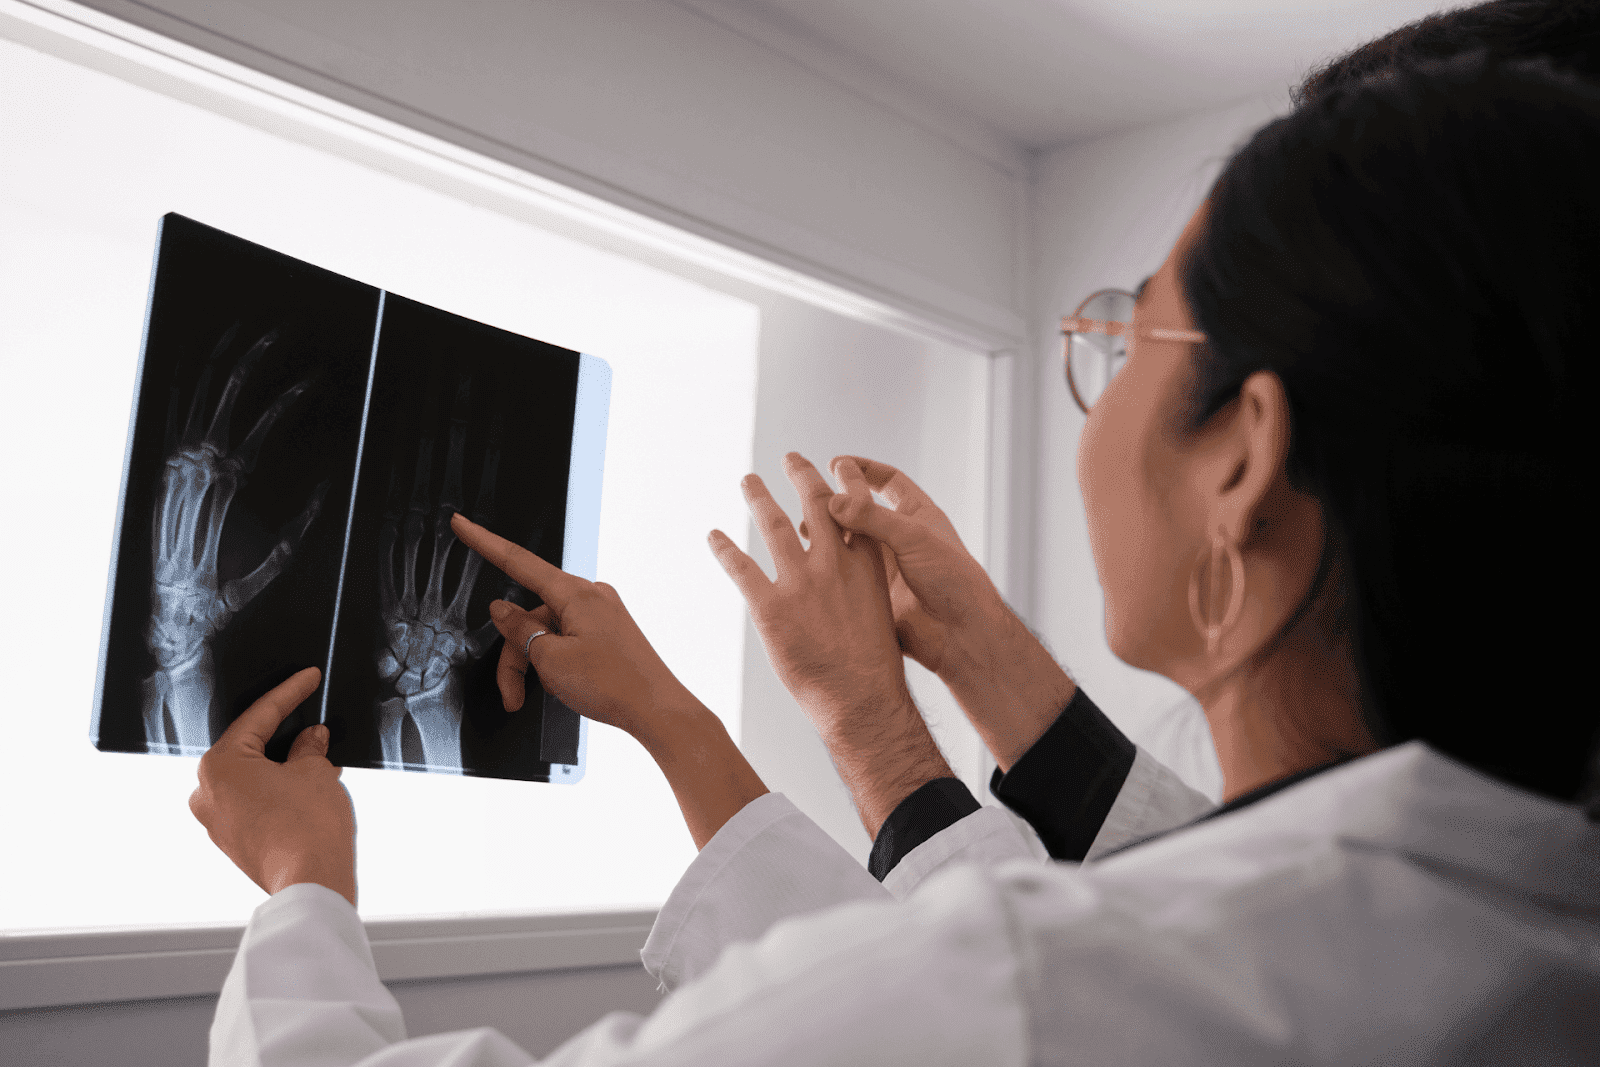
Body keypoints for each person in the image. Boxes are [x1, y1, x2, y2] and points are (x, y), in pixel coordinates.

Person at [188, 46, 1600, 1064]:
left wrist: (303, 895)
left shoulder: (1032, 989)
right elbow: (1099, 928)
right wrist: (687, 720)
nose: (1093, 390)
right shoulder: (1536, 929)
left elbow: (1002, 980)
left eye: (1127, 331)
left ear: (1241, 456)